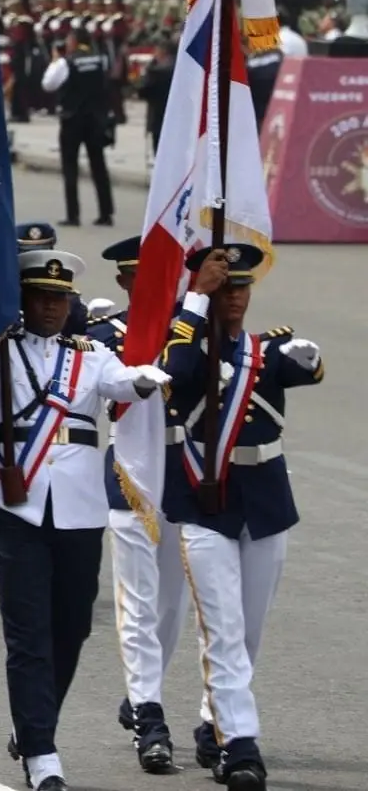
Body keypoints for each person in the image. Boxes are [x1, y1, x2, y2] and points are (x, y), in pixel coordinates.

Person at [0, 249, 171, 791]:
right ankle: (42, 754)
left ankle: (32, 723)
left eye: (60, 298)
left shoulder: (90, 353)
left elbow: (120, 383)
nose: (52, 308)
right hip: (17, 505)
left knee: (72, 627)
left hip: (79, 509)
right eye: (41, 297)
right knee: (29, 635)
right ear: (23, 300)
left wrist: (146, 380)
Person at [160, 245, 321, 791]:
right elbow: (176, 371)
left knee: (247, 633)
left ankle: (215, 723)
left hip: (266, 504)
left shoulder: (265, 351)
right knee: (223, 632)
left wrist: (303, 351)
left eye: (241, 288)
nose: (235, 297)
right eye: (225, 288)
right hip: (207, 506)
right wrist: (194, 300)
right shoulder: (185, 347)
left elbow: (310, 366)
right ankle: (243, 748)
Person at [82, 235, 187, 774]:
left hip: (186, 477)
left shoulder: (193, 333)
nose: (147, 289)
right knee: (137, 602)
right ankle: (150, 712)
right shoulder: (101, 337)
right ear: (124, 283)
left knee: (171, 603)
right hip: (130, 475)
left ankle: (142, 693)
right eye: (136, 279)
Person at [40, 29, 115, 228]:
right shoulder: (100, 60)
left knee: (70, 167)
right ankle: (106, 213)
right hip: (96, 119)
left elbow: (47, 84)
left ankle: (73, 215)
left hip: (72, 119)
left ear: (73, 41)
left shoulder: (66, 62)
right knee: (98, 166)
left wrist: (56, 60)